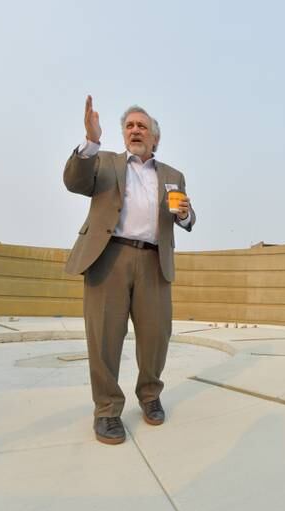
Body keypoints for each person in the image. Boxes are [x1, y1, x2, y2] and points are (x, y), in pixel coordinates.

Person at [63, 95, 195, 445]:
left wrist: (184, 214)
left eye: (142, 126)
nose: (135, 130)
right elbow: (74, 182)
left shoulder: (173, 175)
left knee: (156, 337)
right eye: (129, 126)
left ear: (155, 138)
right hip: (109, 257)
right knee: (104, 337)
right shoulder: (103, 162)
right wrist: (91, 141)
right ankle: (107, 411)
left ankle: (150, 395)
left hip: (154, 261)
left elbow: (187, 216)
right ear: (123, 135)